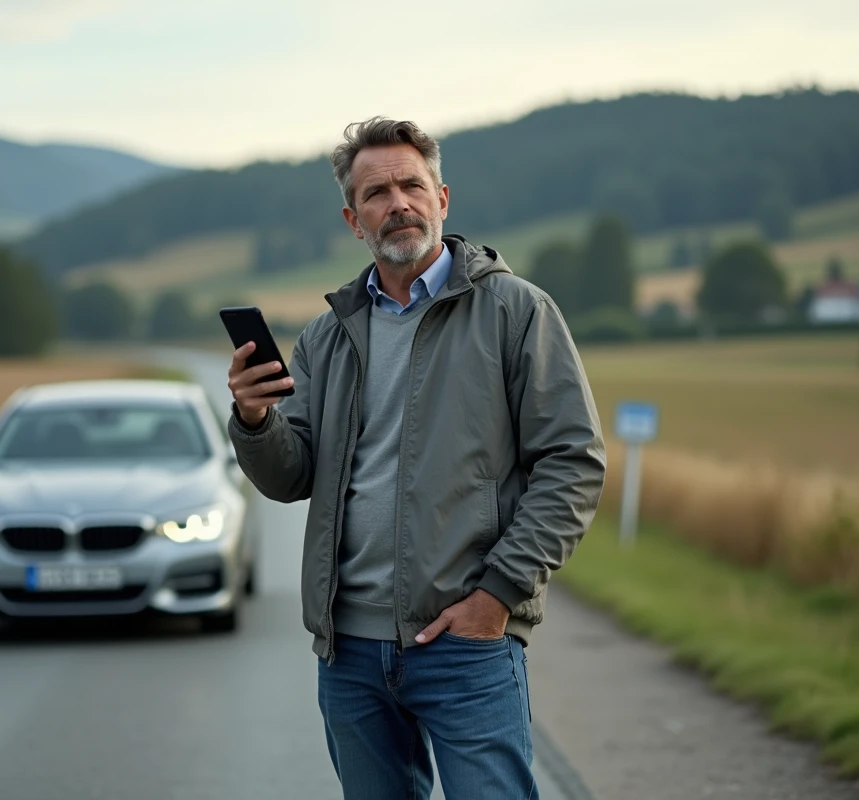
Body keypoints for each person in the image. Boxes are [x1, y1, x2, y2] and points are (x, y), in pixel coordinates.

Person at [225, 117, 606, 799]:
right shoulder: (326, 337)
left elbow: (572, 463)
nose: (397, 202)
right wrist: (255, 419)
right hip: (349, 654)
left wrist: (497, 597)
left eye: (412, 185)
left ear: (442, 199)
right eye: (376, 193)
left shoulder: (516, 312)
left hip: (467, 641)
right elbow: (291, 475)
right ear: (354, 219)